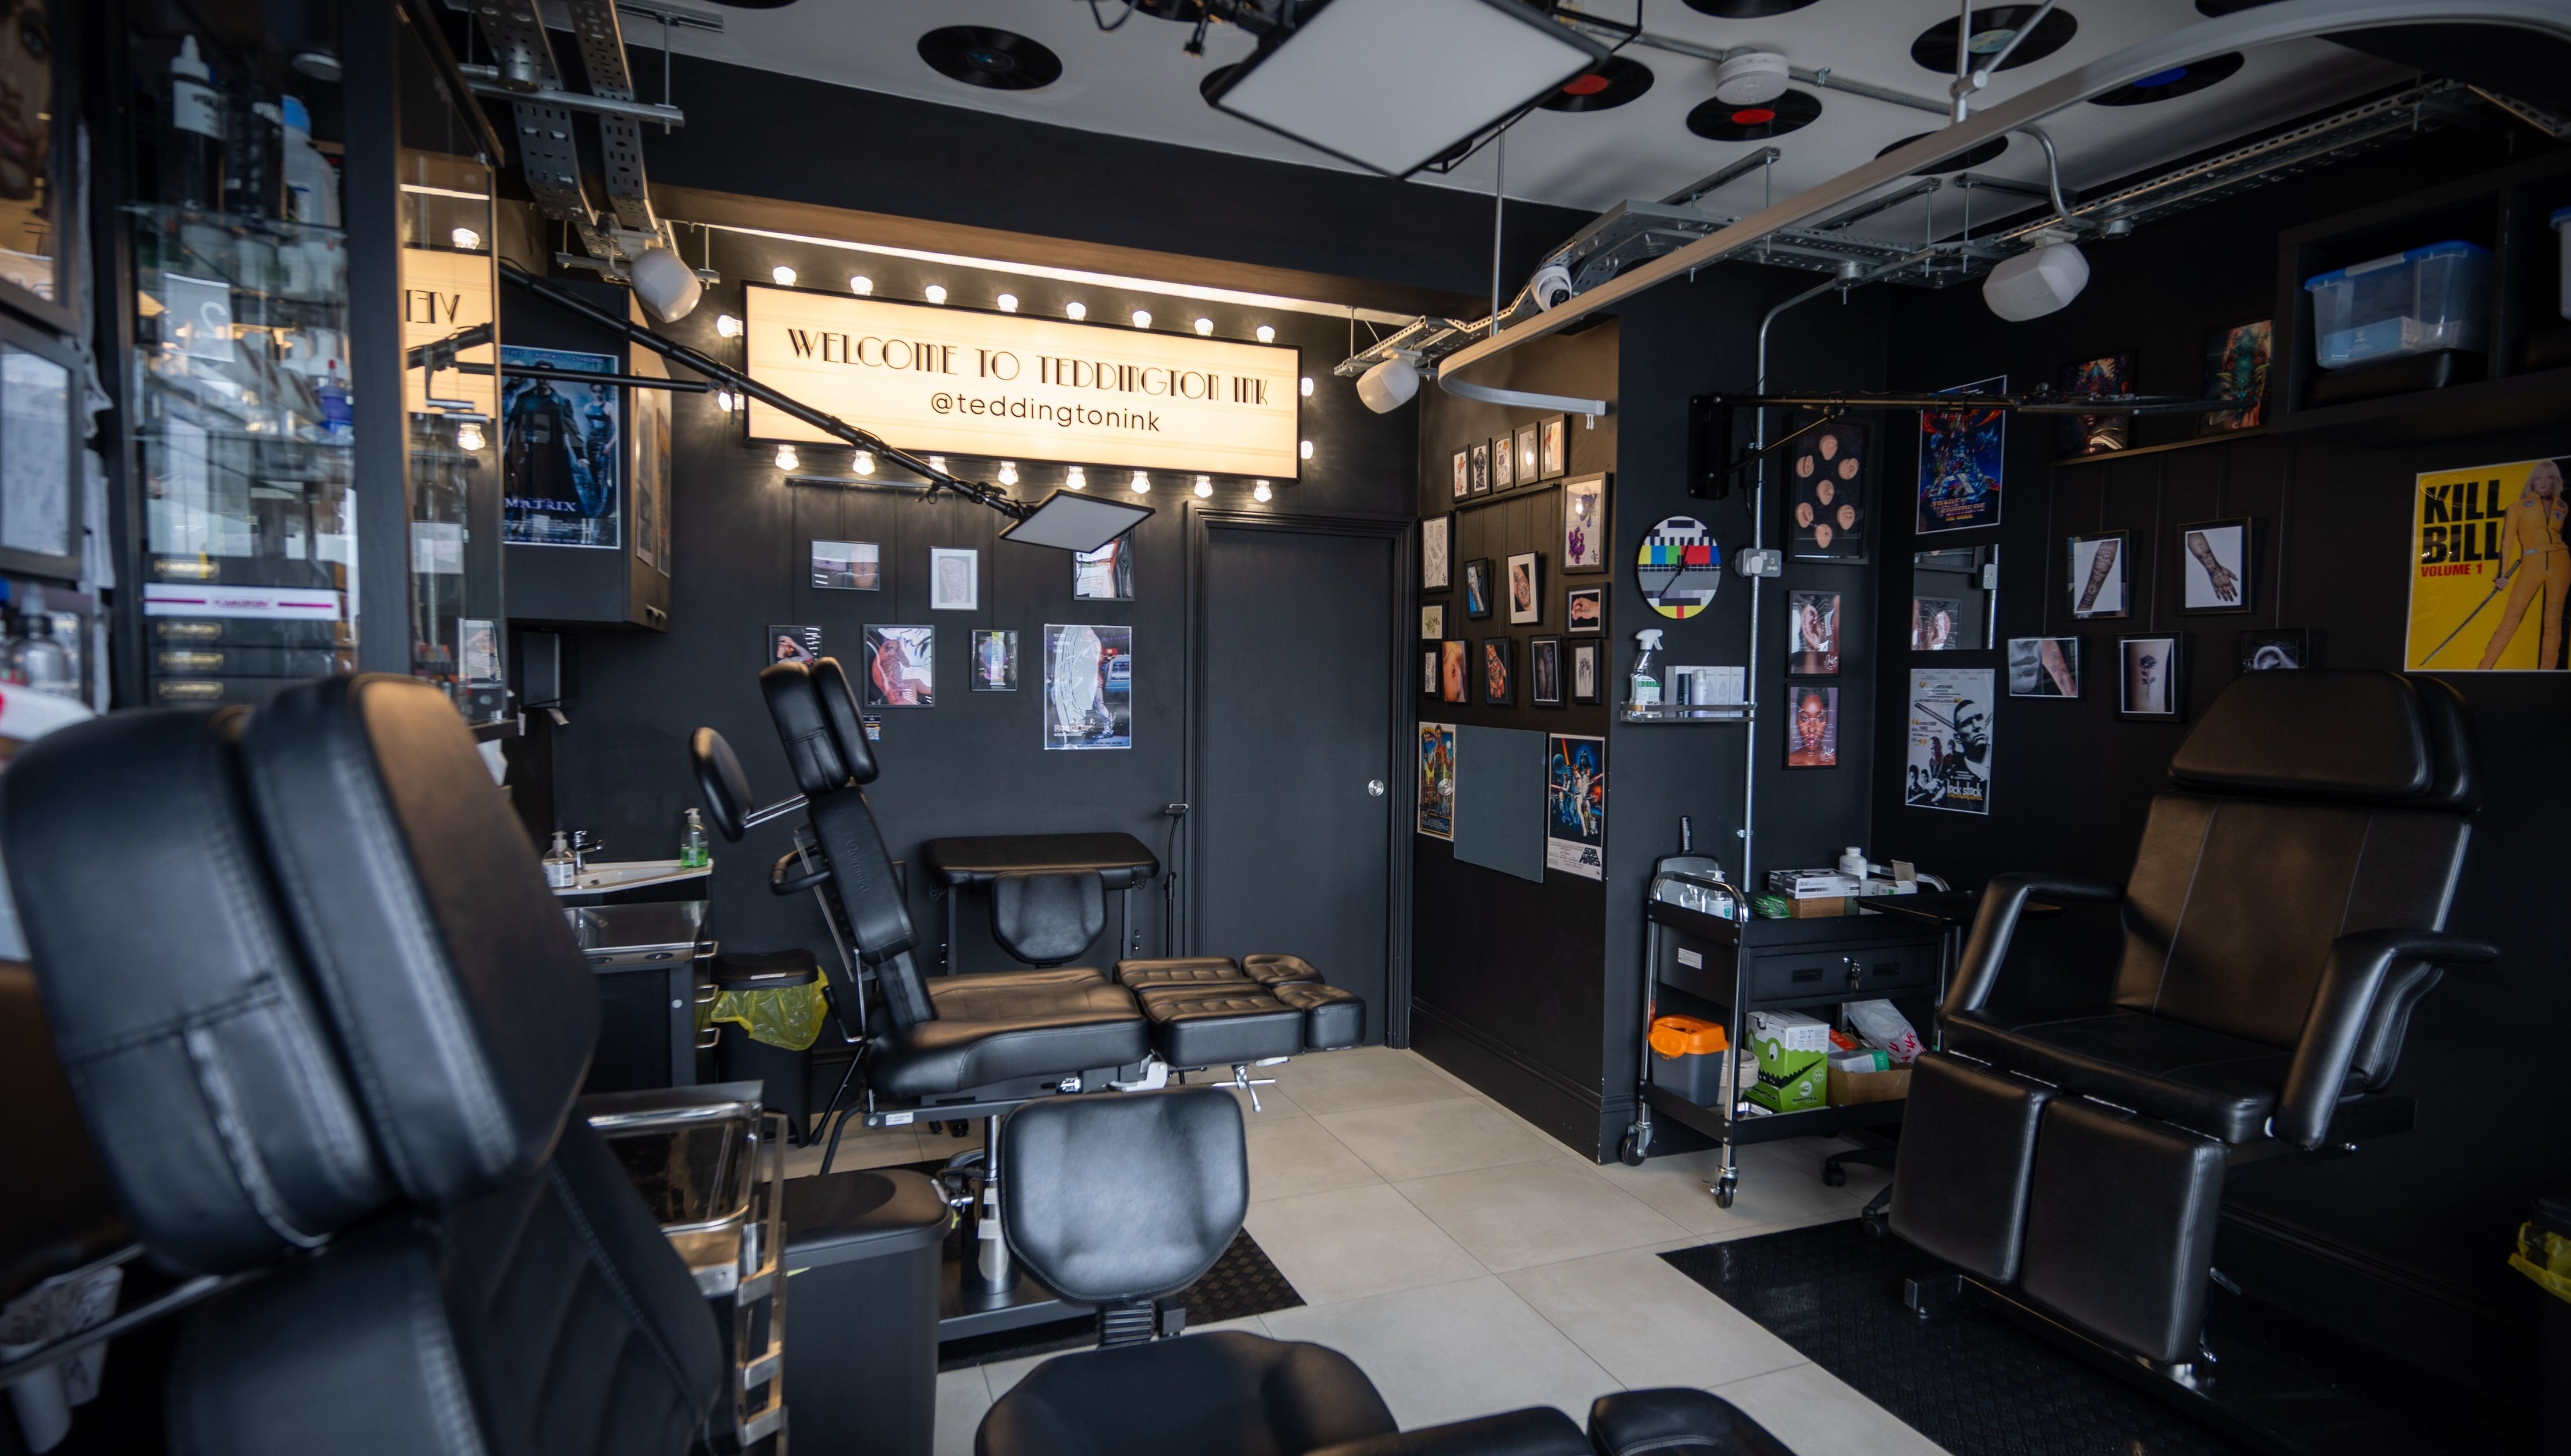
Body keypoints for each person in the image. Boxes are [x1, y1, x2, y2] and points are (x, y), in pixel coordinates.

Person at [2478, 459, 2568, 671]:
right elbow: (2507, 541)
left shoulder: (2562, 507)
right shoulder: (2517, 508)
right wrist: (2501, 574)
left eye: (2549, 477)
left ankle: (2547, 673)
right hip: (2531, 562)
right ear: (2532, 482)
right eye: (2539, 478)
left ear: (2555, 481)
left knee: (2554, 622)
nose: (2544, 482)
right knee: (2512, 617)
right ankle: (2483, 668)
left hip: (2561, 563)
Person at [1786, 689, 1834, 766]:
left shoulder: (1838, 763)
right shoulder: (1787, 762)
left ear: (1827, 720)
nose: (1812, 729)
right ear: (1797, 720)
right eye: (1805, 718)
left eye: (1819, 718)